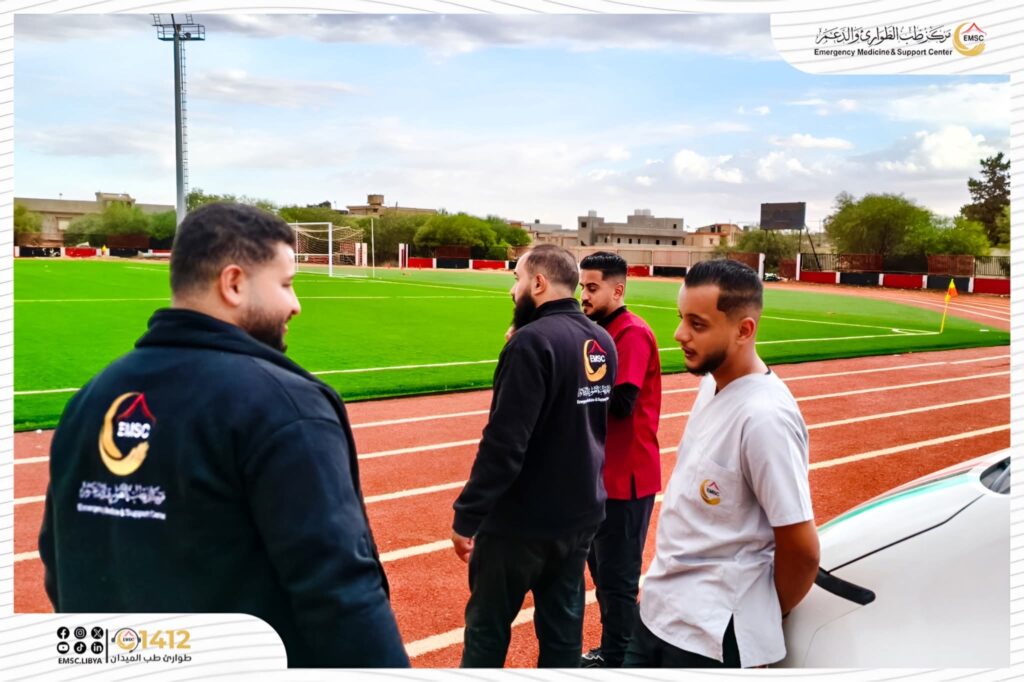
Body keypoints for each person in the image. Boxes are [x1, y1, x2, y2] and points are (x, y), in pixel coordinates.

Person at [38, 202, 409, 668]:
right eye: (286, 284)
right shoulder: (284, 405)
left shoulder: (91, 399)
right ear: (233, 283)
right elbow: (341, 593)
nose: (295, 304)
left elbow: (59, 561)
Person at [625, 258, 820, 668]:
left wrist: (762, 614)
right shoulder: (713, 382)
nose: (679, 334)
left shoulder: (765, 418)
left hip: (710, 639)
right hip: (658, 612)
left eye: (697, 324)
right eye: (681, 318)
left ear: (744, 330)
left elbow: (802, 551)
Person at [451, 244, 617, 668]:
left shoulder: (531, 342)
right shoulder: (601, 340)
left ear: (538, 283)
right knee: (563, 634)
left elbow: (505, 443)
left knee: (487, 633)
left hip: (520, 523)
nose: (512, 290)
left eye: (517, 279)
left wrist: (468, 514)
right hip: (580, 515)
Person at [577, 252, 661, 669]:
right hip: (599, 476)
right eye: (582, 286)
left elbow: (622, 402)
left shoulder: (631, 333)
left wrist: (569, 392)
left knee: (618, 580)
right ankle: (615, 651)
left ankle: (620, 659)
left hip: (626, 478)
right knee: (602, 575)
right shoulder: (597, 331)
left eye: (592, 287)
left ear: (618, 289)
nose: (584, 295)